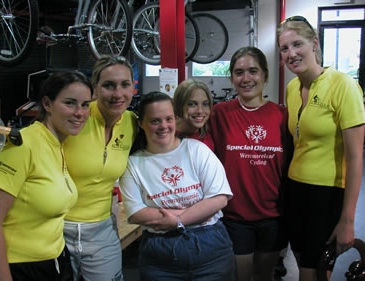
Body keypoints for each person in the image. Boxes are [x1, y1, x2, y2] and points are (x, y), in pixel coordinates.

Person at [277, 15, 365, 280]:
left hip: (326, 194)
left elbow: (355, 158)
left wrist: (347, 220)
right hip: (295, 189)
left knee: (313, 272)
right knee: (303, 261)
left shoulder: (343, 85)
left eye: (297, 44)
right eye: (284, 48)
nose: (291, 54)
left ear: (314, 43)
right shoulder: (292, 88)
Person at [119, 91, 236, 281]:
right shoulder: (133, 163)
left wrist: (177, 220)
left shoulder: (196, 150)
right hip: (160, 252)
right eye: (155, 121)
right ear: (141, 123)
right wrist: (194, 213)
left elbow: (219, 198)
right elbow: (136, 212)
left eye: (168, 119)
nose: (163, 126)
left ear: (175, 119)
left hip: (210, 245)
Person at [0, 71, 93, 281]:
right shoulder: (23, 145)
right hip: (20, 267)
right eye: (70, 103)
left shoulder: (57, 143)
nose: (79, 113)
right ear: (47, 103)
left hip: (54, 260)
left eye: (85, 105)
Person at [209, 46, 291, 281]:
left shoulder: (282, 115)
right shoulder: (219, 114)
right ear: (232, 77)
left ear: (265, 75)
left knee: (264, 277)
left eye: (253, 71)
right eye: (239, 72)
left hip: (273, 217)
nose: (246, 79)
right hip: (235, 217)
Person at [63, 55, 138, 281]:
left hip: (101, 230)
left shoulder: (133, 122)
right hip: (56, 228)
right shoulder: (75, 118)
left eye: (125, 85)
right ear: (94, 89)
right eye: (108, 85)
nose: (118, 94)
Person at [173, 78, 214, 150]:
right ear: (179, 105)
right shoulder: (168, 134)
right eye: (192, 104)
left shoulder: (210, 130)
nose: (200, 111)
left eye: (205, 104)